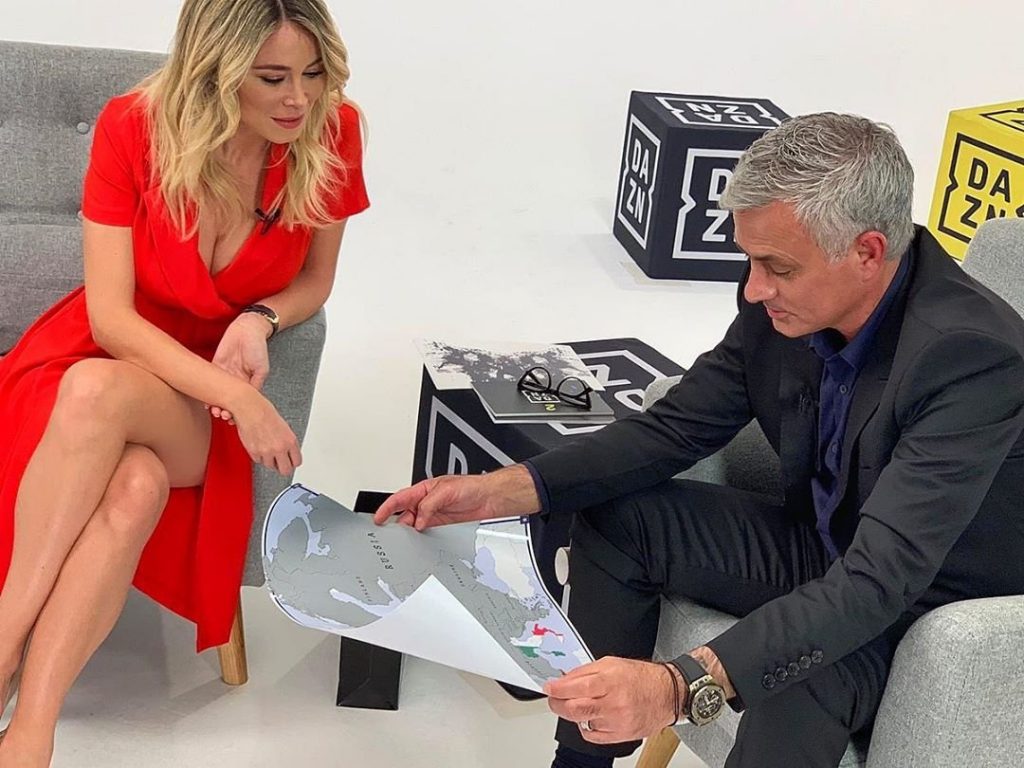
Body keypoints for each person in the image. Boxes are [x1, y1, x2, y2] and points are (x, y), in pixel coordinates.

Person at [375, 113, 1024, 767]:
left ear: (867, 253)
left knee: (794, 681)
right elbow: (673, 428)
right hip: (828, 544)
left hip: (923, 609)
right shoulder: (782, 306)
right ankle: (583, 761)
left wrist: (677, 685)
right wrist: (495, 492)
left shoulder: (969, 358)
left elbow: (879, 579)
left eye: (778, 267)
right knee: (620, 515)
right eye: (750, 259)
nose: (753, 288)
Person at [0, 0, 368, 763]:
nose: (299, 99)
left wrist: (259, 319)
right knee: (130, 478)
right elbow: (110, 320)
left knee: (97, 397)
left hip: (200, 406)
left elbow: (317, 280)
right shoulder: (132, 128)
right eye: (273, 78)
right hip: (115, 355)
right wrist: (241, 398)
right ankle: (31, 731)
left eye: (313, 74)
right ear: (217, 71)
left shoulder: (333, 129)